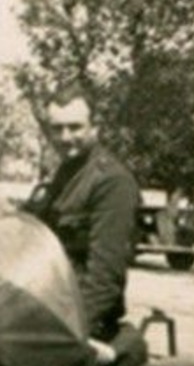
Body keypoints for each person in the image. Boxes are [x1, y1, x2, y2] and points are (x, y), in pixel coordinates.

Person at [23, 84, 141, 350]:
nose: (65, 137)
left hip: (81, 324)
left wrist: (64, 334)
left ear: (94, 127)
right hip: (43, 311)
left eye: (75, 127)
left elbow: (104, 279)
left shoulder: (111, 182)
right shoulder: (63, 177)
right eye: (57, 128)